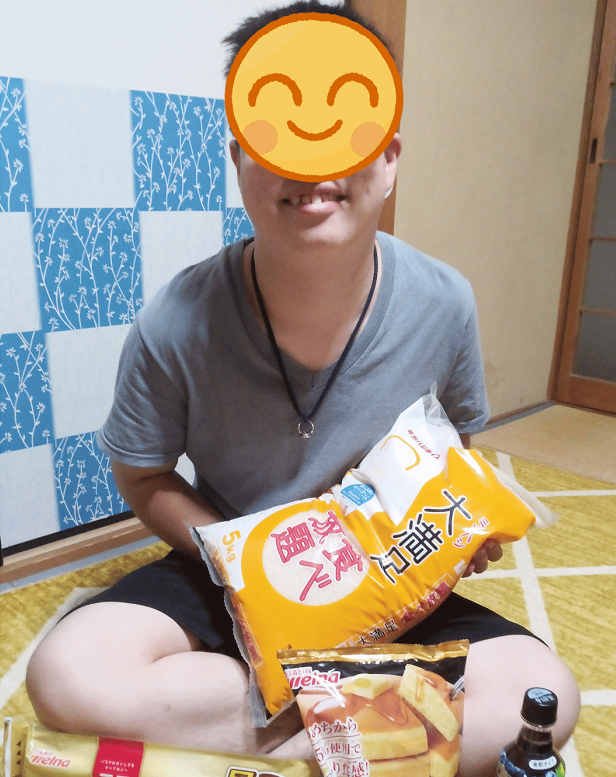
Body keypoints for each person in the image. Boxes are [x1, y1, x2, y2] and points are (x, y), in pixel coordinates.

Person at [26, 3, 580, 775]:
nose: (313, 162)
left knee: (540, 697)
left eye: (345, 125)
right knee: (67, 671)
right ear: (239, 158)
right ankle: (378, 735)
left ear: (389, 158)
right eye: (281, 128)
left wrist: (453, 533)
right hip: (228, 579)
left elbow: (454, 451)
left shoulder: (445, 301)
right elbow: (143, 474)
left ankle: (291, 730)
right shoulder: (175, 319)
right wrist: (241, 566)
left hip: (384, 585)